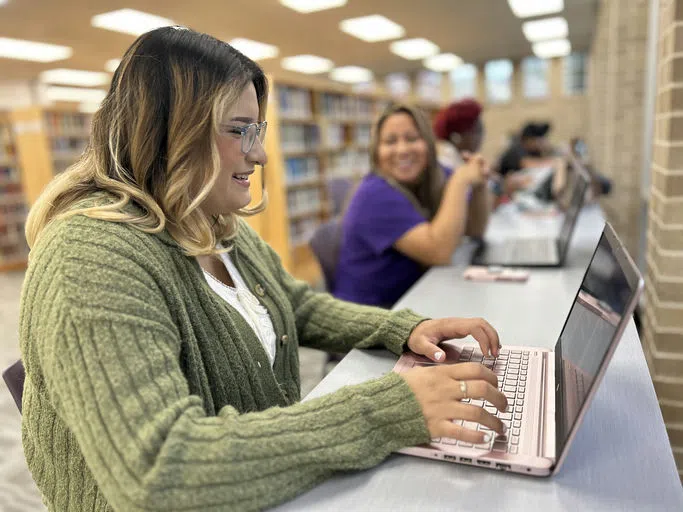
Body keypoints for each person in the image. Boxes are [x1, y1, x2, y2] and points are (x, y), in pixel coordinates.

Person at [19, 27, 508, 511]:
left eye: (259, 130)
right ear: (168, 130)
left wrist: (403, 328)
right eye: (239, 130)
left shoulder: (211, 220)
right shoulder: (90, 254)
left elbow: (294, 304)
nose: (260, 154)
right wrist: (390, 409)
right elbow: (158, 469)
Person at [334, 103, 491, 308]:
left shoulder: (433, 175)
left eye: (412, 138)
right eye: (390, 141)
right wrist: (460, 181)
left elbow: (474, 230)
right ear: (376, 153)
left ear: (428, 143)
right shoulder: (373, 195)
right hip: (372, 318)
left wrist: (478, 183)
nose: (402, 150)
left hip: (413, 301)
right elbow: (439, 253)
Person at [497, 122, 568, 198]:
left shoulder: (534, 151)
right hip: (504, 193)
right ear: (529, 140)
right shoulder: (516, 148)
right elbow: (526, 164)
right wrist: (555, 161)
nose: (542, 141)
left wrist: (549, 151)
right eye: (538, 138)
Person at [433, 98, 485, 171]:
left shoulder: (458, 159)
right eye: (478, 131)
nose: (482, 137)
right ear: (457, 136)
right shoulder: (445, 163)